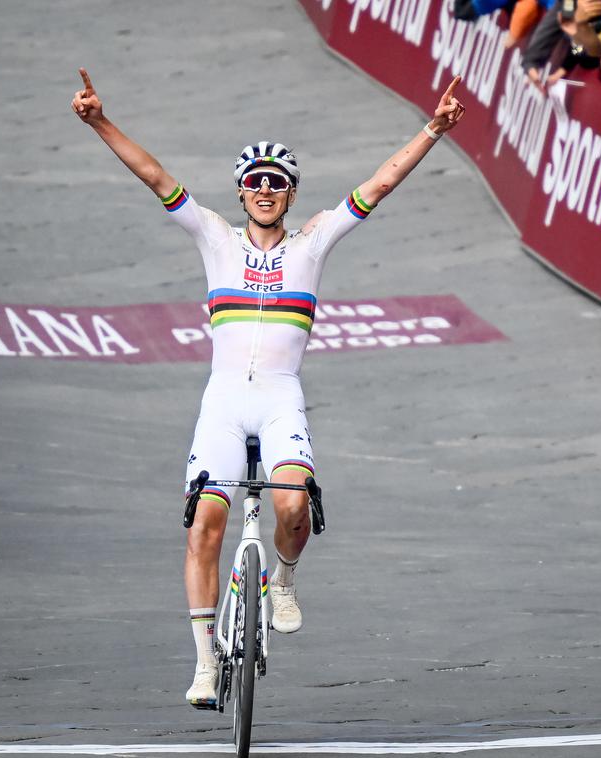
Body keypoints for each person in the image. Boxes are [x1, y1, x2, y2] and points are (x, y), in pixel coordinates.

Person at [69, 66, 464, 709]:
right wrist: (98, 122)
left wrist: (434, 129)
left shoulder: (312, 243)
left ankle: (283, 578)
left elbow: (381, 183)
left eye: (276, 184)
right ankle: (203, 664)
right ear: (241, 191)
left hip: (280, 395)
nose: (264, 190)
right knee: (204, 525)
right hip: (224, 401)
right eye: (254, 182)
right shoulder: (214, 237)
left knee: (292, 508)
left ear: (290, 194)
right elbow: (155, 177)